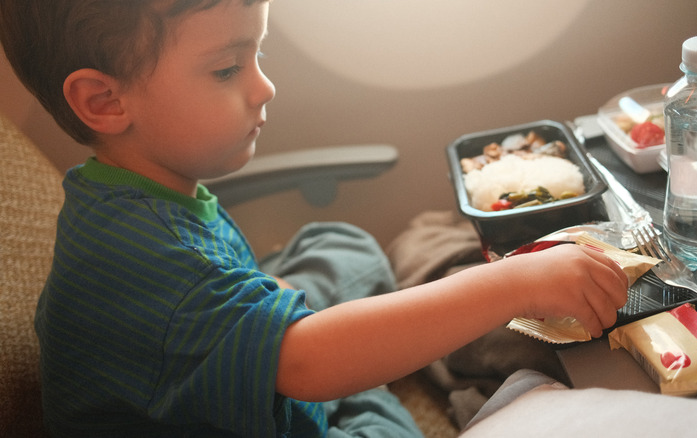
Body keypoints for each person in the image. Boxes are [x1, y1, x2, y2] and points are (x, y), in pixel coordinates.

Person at [0, 0, 629, 436]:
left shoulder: (126, 193)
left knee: (341, 243)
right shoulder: (143, 257)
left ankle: (361, 337)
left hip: (239, 351)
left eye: (256, 56)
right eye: (226, 68)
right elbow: (302, 364)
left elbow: (219, 290)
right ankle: (372, 359)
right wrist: (514, 283)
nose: (264, 87)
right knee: (366, 400)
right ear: (103, 100)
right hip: (266, 403)